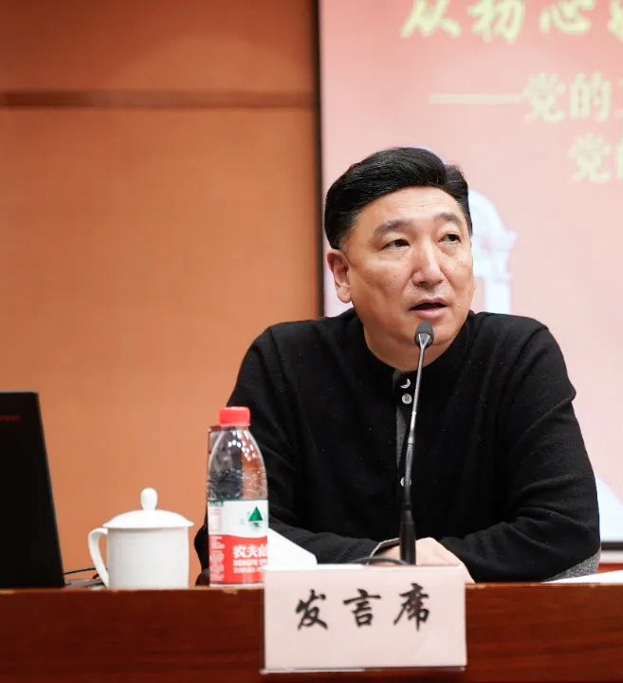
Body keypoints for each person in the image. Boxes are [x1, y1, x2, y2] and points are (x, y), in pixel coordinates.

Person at [195, 147, 600, 582]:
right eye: (397, 243)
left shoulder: (517, 354)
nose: (431, 271)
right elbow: (231, 536)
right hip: (327, 625)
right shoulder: (285, 360)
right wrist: (381, 560)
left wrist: (428, 568)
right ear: (343, 274)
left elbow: (567, 529)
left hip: (485, 623)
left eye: (450, 239)